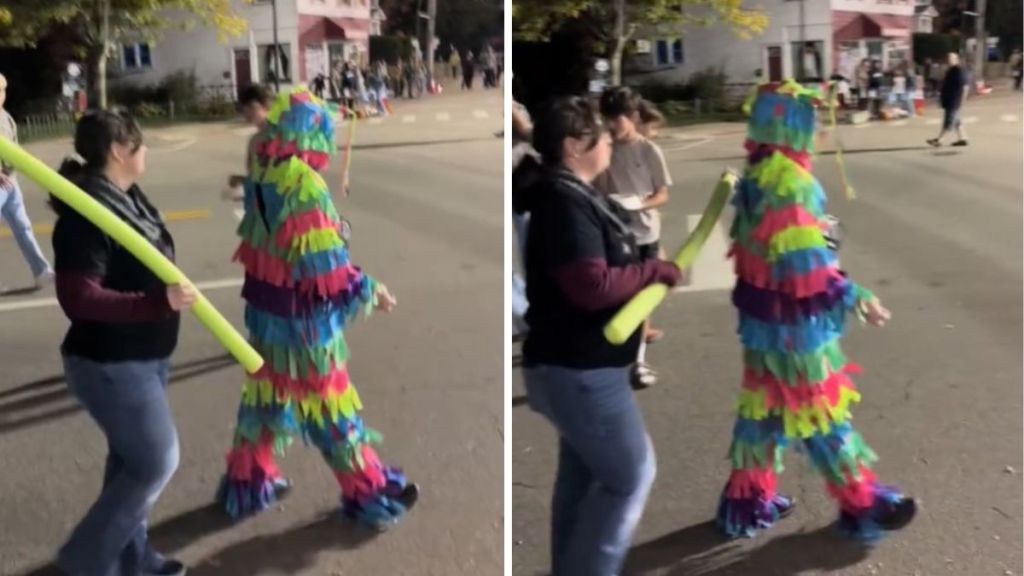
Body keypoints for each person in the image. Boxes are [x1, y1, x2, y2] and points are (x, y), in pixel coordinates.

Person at [716, 79, 916, 542]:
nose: (819, 134)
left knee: (764, 411)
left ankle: (745, 504)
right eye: (812, 122)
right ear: (794, 126)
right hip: (793, 330)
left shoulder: (758, 174)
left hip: (763, 325)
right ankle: (863, 505)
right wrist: (855, 296)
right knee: (821, 413)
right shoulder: (790, 180)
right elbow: (804, 269)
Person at [216, 87, 419, 530]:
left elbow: (269, 244)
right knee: (331, 407)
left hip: (266, 315)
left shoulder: (263, 172)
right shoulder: (302, 182)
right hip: (304, 323)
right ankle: (368, 492)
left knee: (266, 398)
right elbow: (323, 267)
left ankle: (247, 480)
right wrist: (371, 290)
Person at [519, 96, 684, 576]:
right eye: (600, 134)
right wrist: (654, 270)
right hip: (581, 370)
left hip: (570, 367)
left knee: (587, 475)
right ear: (574, 146)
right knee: (631, 477)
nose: (610, 138)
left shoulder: (569, 191)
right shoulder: (563, 201)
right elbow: (590, 286)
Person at [51, 109, 197, 576]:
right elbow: (78, 296)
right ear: (118, 150)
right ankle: (85, 562)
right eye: (140, 144)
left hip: (144, 356)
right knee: (156, 461)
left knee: (129, 465)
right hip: (111, 362)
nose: (146, 151)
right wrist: (157, 303)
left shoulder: (123, 196)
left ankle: (131, 560)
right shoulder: (87, 212)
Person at [595, 87, 674, 389]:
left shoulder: (649, 150)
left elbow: (663, 195)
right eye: (607, 119)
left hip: (645, 231)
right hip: (616, 233)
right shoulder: (605, 148)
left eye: (617, 119)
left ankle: (638, 356)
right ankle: (636, 350)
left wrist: (639, 204)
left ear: (633, 117)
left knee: (642, 296)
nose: (612, 125)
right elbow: (598, 187)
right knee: (623, 295)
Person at [0, 72, 55, 293]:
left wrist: (30, 162)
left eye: (2, 91)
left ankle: (41, 271)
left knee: (23, 227)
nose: (0, 95)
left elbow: (14, 148)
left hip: (11, 183)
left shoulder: (6, 118)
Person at [225, 84, 272, 202]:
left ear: (266, 106)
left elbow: (281, 178)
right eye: (244, 108)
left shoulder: (281, 135)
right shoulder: (253, 141)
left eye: (252, 107)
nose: (247, 112)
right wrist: (242, 182)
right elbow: (257, 179)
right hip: (265, 208)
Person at [928, 52, 969, 147]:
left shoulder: (959, 71)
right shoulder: (950, 70)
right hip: (949, 100)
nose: (948, 61)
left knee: (949, 121)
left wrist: (962, 101)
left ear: (956, 59)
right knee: (957, 121)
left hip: (954, 100)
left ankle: (939, 140)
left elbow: (965, 87)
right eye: (947, 59)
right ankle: (963, 138)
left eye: (951, 59)